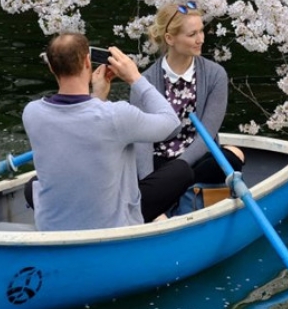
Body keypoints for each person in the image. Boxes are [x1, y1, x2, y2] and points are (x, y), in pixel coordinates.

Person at [22, 32, 193, 231]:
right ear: (88, 61)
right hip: (112, 225)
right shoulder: (116, 115)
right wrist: (135, 78)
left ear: (51, 67)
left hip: (52, 228)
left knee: (32, 185)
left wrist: (97, 97)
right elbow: (171, 123)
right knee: (182, 170)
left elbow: (81, 129)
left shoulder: (32, 113)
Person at [135, 0, 245, 187]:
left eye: (201, 31)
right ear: (170, 39)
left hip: (196, 159)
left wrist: (178, 171)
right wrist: (147, 184)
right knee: (132, 167)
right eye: (192, 34)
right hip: (159, 160)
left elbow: (208, 134)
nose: (200, 39)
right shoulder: (145, 81)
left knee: (233, 158)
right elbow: (141, 141)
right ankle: (168, 188)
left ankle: (171, 186)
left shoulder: (215, 74)